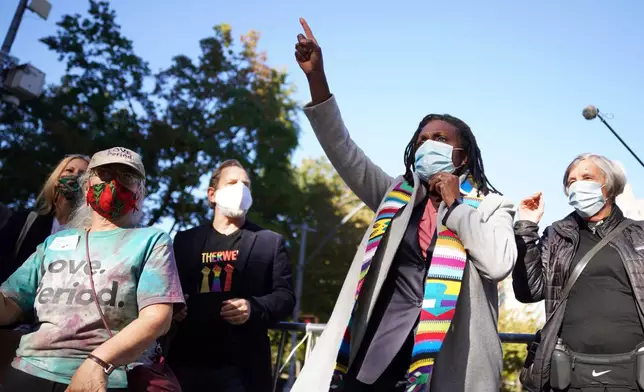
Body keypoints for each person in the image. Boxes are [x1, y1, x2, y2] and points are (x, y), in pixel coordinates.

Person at [290, 18, 517, 392]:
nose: (430, 144)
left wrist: (456, 206)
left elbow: (497, 264)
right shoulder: (395, 194)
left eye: (441, 139)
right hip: (377, 353)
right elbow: (345, 152)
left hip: (448, 362)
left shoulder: (492, 207)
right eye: (423, 138)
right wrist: (317, 80)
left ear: (462, 155)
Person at [0, 147, 185, 392]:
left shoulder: (152, 240)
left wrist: (98, 362)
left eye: (125, 177)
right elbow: (8, 305)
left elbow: (157, 318)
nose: (113, 182)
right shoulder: (54, 243)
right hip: (30, 370)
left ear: (139, 192)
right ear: (87, 186)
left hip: (106, 377)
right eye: (105, 174)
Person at [513, 153, 644, 392]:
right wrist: (527, 227)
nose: (577, 185)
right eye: (571, 181)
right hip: (570, 372)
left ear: (609, 186)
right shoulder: (556, 235)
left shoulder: (639, 234)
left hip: (633, 373)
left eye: (586, 177)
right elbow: (528, 292)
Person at [167, 159, 295, 392]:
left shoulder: (269, 242)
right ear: (212, 194)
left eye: (246, 185)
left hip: (241, 369)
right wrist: (173, 307)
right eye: (232, 182)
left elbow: (286, 298)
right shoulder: (185, 240)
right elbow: (166, 289)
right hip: (186, 363)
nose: (240, 189)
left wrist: (252, 307)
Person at [0, 154, 90, 284]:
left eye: (82, 174)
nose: (74, 176)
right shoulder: (24, 222)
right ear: (56, 178)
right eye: (69, 170)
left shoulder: (90, 232)